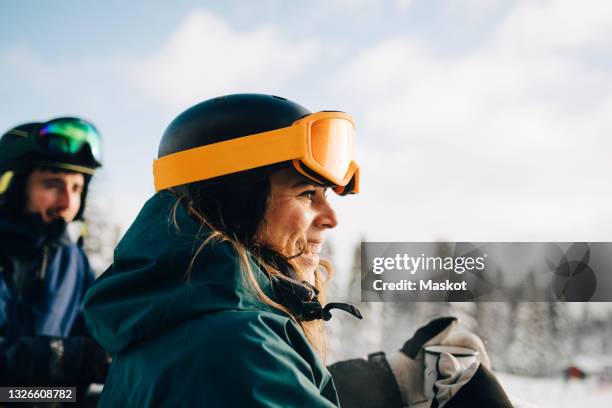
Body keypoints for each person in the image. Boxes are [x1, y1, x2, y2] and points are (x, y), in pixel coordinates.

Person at [83, 94, 512, 407]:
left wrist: (390, 382)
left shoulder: (180, 315)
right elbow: (239, 375)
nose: (331, 217)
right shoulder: (231, 344)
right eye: (308, 193)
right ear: (233, 203)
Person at [0, 118, 109, 395]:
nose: (67, 203)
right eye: (52, 185)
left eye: (76, 189)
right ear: (10, 186)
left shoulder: (74, 262)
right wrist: (68, 358)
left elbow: (93, 330)